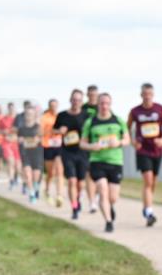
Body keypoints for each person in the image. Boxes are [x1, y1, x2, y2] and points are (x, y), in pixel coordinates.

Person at [81, 93, 129, 233]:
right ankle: (108, 221)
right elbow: (82, 143)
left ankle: (109, 206)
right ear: (98, 104)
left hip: (115, 161)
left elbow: (127, 140)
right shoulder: (91, 122)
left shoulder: (118, 121)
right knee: (102, 189)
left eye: (107, 103)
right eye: (101, 103)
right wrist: (92, 146)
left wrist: (118, 142)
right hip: (97, 161)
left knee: (113, 197)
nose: (104, 106)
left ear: (110, 104)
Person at [127, 82, 162, 227]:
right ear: (141, 95)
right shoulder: (135, 111)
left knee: (153, 182)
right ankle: (149, 213)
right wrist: (133, 142)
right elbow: (126, 129)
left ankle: (146, 206)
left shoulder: (160, 109)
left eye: (150, 94)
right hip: (143, 150)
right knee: (148, 180)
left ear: (153, 95)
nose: (147, 97)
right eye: (145, 94)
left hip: (157, 150)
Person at [54, 89, 90, 220]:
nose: (76, 102)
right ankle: (74, 207)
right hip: (67, 152)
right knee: (71, 181)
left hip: (82, 152)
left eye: (79, 100)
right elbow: (54, 130)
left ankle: (78, 199)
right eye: (74, 100)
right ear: (70, 100)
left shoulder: (86, 116)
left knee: (80, 184)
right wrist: (59, 130)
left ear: (82, 102)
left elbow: (91, 132)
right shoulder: (62, 115)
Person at [17, 103, 44, 203]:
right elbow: (20, 140)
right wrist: (26, 141)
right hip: (26, 154)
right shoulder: (21, 128)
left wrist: (27, 141)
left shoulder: (38, 127)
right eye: (27, 114)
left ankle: (36, 186)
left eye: (31, 114)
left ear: (34, 115)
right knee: (28, 175)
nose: (29, 116)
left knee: (36, 175)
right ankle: (31, 193)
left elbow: (39, 139)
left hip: (36, 154)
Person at [40, 98, 65, 207]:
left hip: (59, 146)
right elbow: (40, 131)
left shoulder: (61, 117)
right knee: (51, 173)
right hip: (47, 145)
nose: (54, 107)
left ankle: (59, 195)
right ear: (49, 106)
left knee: (60, 171)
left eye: (55, 105)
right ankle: (46, 189)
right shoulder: (44, 118)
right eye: (52, 105)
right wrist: (54, 131)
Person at [83, 85, 101, 213]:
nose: (93, 96)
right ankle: (92, 202)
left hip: (101, 145)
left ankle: (99, 194)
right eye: (91, 94)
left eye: (95, 94)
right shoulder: (83, 108)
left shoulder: (103, 107)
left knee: (100, 173)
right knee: (89, 173)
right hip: (87, 145)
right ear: (87, 94)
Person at [0, 103, 21, 190]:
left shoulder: (19, 119)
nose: (11, 110)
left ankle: (16, 177)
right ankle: (11, 181)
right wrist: (4, 132)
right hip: (6, 143)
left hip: (16, 143)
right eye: (10, 108)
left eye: (13, 108)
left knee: (18, 165)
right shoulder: (3, 119)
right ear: (8, 109)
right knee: (10, 162)